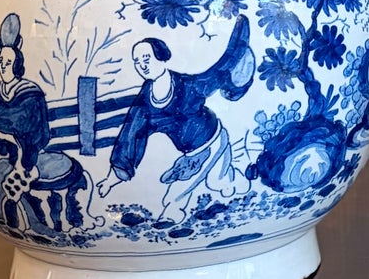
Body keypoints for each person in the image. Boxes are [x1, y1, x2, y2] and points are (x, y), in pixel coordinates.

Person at [97, 19, 256, 221]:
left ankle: (171, 216)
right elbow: (130, 137)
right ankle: (237, 187)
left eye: (146, 58)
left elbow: (219, 72)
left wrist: (241, 43)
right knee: (221, 181)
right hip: (190, 151)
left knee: (180, 189)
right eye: (137, 61)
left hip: (212, 140)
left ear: (162, 58)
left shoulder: (187, 86)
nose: (142, 65)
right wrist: (111, 179)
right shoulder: (145, 104)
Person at [0, 14, 89, 234]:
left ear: (17, 65)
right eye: (0, 62)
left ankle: (33, 222)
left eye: (8, 63)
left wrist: (23, 158)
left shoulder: (30, 95)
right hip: (7, 153)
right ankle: (14, 222)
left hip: (29, 155)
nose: (3, 67)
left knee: (11, 186)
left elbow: (36, 135)